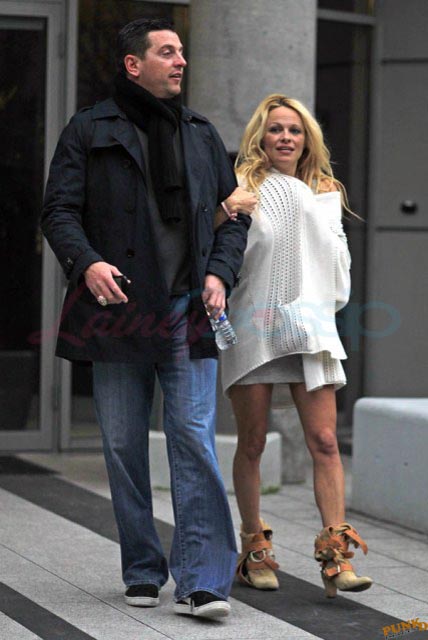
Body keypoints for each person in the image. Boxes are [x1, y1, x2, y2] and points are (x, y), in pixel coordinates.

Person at [41, 17, 256, 619]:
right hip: (118, 310)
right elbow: (59, 211)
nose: (181, 60)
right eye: (167, 52)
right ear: (134, 65)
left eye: (182, 51)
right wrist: (86, 262)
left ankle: (203, 579)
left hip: (189, 308)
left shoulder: (200, 134)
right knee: (122, 445)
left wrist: (220, 274)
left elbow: (233, 217)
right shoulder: (89, 129)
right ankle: (141, 566)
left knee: (193, 438)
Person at [220, 94, 372, 597]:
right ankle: (254, 550)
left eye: (295, 130)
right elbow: (223, 253)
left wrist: (325, 211)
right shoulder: (241, 188)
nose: (285, 137)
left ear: (307, 139)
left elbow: (339, 272)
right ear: (260, 137)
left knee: (325, 441)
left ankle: (336, 554)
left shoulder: (325, 191)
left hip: (311, 327)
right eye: (276, 129)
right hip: (254, 324)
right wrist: (227, 210)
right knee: (253, 442)